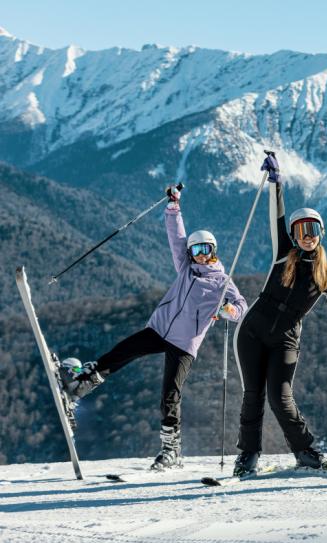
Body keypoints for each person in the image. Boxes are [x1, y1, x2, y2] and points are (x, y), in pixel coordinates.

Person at [59, 185, 247, 470]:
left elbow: (242, 308)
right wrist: (173, 207)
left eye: (204, 250)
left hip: (184, 343)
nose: (198, 254)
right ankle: (82, 384)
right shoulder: (185, 268)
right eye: (195, 249)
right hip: (159, 329)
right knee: (122, 351)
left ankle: (171, 450)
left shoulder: (222, 282)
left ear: (213, 252)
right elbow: (176, 238)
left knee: (170, 394)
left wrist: (228, 309)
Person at [231, 153, 327, 476]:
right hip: (252, 331)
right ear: (294, 234)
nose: (307, 234)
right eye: (301, 229)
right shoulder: (282, 255)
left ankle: (304, 451)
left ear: (321, 232)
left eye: (313, 228)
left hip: (286, 339)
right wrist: (277, 184)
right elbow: (277, 217)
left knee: (281, 396)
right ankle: (247, 455)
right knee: (253, 395)